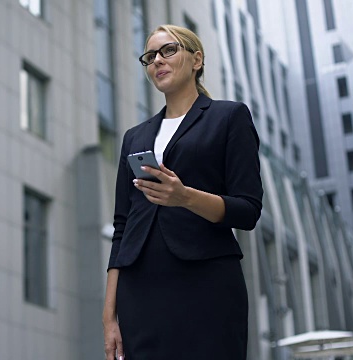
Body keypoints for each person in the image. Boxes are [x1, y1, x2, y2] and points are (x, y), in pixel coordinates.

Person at [102, 24, 263, 360]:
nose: (157, 60)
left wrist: (185, 196)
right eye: (150, 56)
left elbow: (247, 210)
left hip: (206, 284)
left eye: (168, 50)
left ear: (197, 59)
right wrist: (109, 316)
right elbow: (122, 226)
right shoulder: (134, 137)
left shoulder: (228, 117)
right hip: (140, 291)